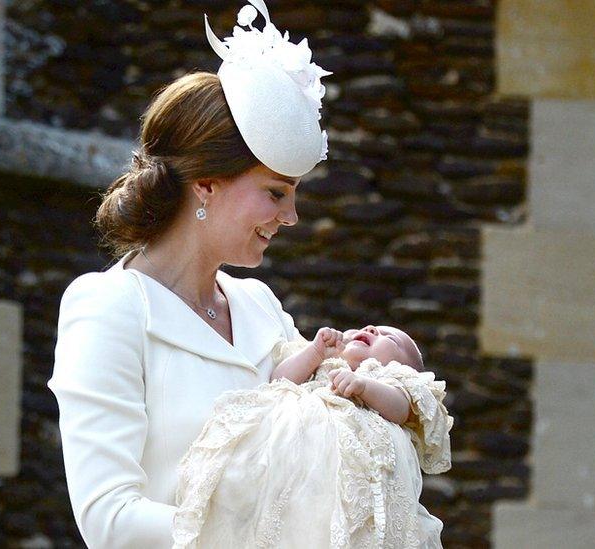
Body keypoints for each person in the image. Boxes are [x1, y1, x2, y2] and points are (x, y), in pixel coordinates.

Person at [47, 1, 332, 547]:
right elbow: (109, 518)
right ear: (206, 184)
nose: (291, 217)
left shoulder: (260, 307)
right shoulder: (109, 307)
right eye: (276, 193)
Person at [172, 325, 453, 548]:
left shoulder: (390, 380)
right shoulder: (326, 364)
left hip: (344, 476)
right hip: (288, 461)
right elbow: (278, 379)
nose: (371, 328)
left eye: (390, 338)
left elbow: (400, 408)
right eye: (368, 327)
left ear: (403, 366)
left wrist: (364, 386)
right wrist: (314, 352)